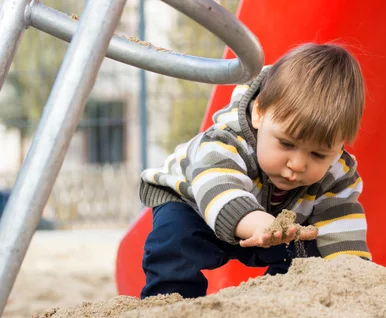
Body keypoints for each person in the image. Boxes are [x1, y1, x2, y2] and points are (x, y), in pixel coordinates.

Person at [138, 42, 371, 299]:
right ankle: (170, 304)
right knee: (174, 242)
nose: (297, 164)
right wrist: (258, 222)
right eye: (286, 143)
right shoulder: (226, 141)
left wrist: (353, 277)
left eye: (318, 154)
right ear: (259, 113)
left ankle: (279, 303)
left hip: (270, 226)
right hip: (193, 202)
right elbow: (218, 187)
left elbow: (342, 234)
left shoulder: (336, 174)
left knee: (310, 250)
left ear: (339, 148)